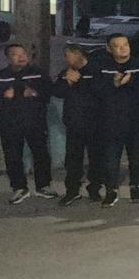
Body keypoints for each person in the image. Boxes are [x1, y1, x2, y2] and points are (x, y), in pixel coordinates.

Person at [0, 42, 55, 204]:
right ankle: (19, 187)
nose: (21, 57)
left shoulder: (37, 74)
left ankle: (43, 185)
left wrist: (35, 93)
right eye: (16, 54)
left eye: (23, 54)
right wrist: (4, 95)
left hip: (35, 121)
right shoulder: (0, 76)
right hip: (10, 122)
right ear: (8, 58)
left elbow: (49, 92)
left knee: (41, 153)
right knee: (12, 155)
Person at [95, 33, 139, 207]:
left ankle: (136, 186)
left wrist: (131, 81)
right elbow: (96, 90)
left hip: (135, 120)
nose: (123, 48)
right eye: (117, 45)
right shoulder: (102, 66)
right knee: (111, 158)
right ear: (109, 48)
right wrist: (114, 84)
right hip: (110, 120)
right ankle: (111, 190)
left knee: (136, 156)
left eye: (125, 44)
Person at [52, 43, 104, 206]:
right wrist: (67, 82)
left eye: (68, 55)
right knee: (73, 160)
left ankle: (94, 189)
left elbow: (102, 91)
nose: (66, 59)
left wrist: (80, 81)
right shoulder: (65, 73)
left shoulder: (96, 71)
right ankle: (72, 191)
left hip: (95, 123)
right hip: (74, 124)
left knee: (96, 159)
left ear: (78, 54)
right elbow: (57, 92)